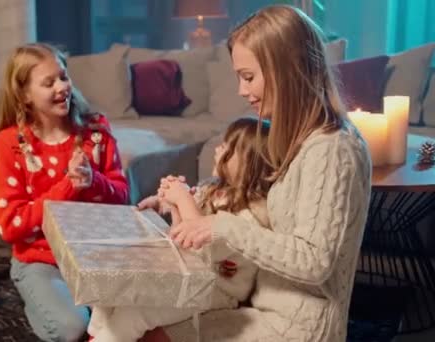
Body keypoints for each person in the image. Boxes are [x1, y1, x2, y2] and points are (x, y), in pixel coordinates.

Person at [139, 5, 372, 342]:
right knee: (149, 327)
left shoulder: (333, 149)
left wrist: (220, 226)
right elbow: (251, 205)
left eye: (248, 77)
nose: (241, 90)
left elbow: (315, 261)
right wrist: (183, 204)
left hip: (299, 329)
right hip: (258, 308)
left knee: (152, 335)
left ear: (288, 70)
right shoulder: (297, 142)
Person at [0, 43, 129, 342]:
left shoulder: (95, 131)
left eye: (63, 77)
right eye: (48, 83)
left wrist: (94, 181)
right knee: (73, 329)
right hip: (39, 260)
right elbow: (11, 225)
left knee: (142, 317)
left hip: (95, 255)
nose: (62, 87)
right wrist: (67, 186)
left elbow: (122, 200)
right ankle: (39, 299)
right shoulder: (8, 144)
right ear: (24, 95)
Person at [89, 117, 273, 342]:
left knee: (136, 313)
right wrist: (167, 201)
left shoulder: (252, 214)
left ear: (249, 163)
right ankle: (95, 335)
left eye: (227, 147)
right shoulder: (214, 189)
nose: (218, 148)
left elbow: (205, 241)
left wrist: (184, 199)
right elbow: (183, 233)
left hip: (215, 289)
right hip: (184, 272)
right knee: (115, 287)